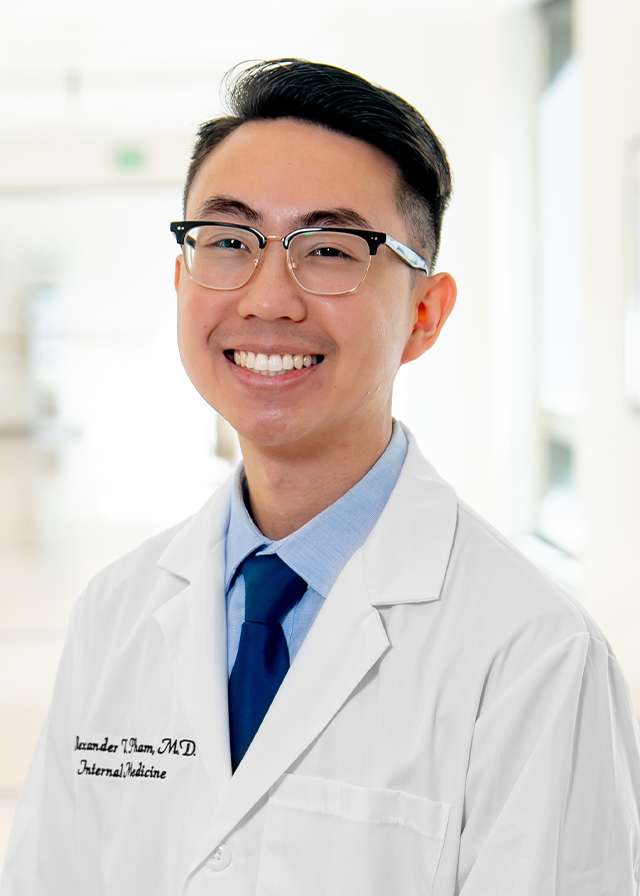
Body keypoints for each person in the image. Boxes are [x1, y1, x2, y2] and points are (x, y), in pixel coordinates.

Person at [1, 57, 639, 896]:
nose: (268, 298)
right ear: (180, 277)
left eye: (330, 249)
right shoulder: (114, 613)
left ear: (424, 314)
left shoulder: (532, 656)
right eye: (227, 242)